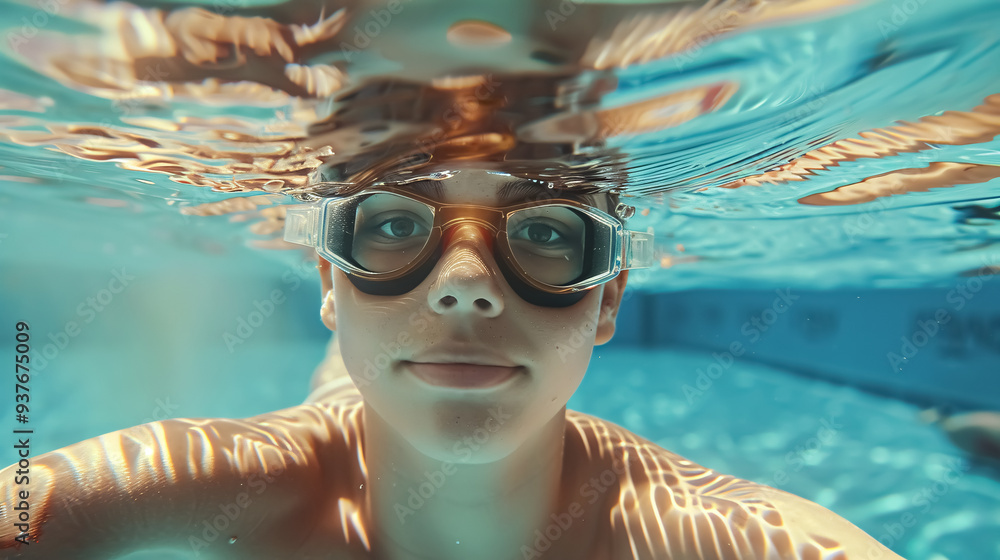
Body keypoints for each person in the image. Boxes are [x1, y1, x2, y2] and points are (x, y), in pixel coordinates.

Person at [1, 163, 903, 560]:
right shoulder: (237, 482)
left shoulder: (710, 535)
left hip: (384, 366)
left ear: (610, 302)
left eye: (546, 235)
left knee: (374, 369)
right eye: (392, 227)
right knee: (348, 382)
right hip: (357, 384)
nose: (465, 286)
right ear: (327, 280)